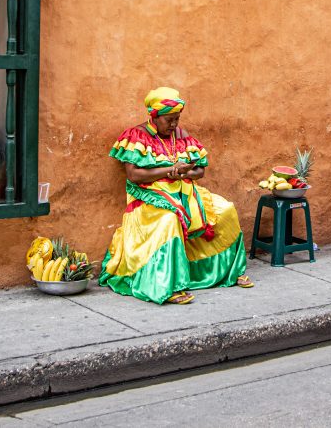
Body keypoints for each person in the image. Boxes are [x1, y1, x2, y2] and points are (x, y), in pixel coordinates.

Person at [100, 87, 253, 304]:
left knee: (225, 209)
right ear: (154, 116)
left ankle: (231, 271)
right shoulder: (137, 136)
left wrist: (184, 171)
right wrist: (169, 170)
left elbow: (200, 170)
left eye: (177, 119)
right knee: (169, 220)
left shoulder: (181, 136)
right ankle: (169, 285)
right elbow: (134, 175)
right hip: (148, 198)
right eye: (169, 120)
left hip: (185, 192)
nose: (174, 124)